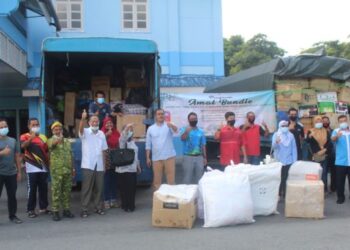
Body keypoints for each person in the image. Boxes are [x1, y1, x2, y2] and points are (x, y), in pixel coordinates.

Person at [79, 110, 108, 218]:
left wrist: (104, 165)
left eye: (97, 121)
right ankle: (84, 209)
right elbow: (80, 130)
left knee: (99, 188)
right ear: (89, 123)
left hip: (99, 165)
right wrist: (83, 119)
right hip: (88, 165)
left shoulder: (101, 134)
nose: (95, 123)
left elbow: (104, 150)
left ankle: (98, 207)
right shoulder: (85, 132)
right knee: (87, 188)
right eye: (93, 121)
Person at [20, 118, 50, 218]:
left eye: (37, 125)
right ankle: (30, 209)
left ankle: (43, 208)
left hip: (43, 168)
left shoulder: (43, 137)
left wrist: (49, 164)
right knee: (32, 189)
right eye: (33, 125)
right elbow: (23, 146)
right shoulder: (24, 136)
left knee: (43, 189)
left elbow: (46, 151)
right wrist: (31, 138)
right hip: (31, 167)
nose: (35, 127)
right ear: (28, 126)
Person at [47, 121, 75, 221]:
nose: (58, 131)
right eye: (56, 129)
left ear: (62, 130)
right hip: (56, 171)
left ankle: (66, 210)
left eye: (59, 129)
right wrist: (58, 139)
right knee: (56, 191)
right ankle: (55, 211)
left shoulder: (67, 141)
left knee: (67, 191)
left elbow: (71, 155)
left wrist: (73, 168)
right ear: (52, 131)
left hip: (67, 170)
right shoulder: (50, 140)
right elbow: (52, 145)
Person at [146, 109, 178, 191]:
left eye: (162, 114)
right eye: (159, 114)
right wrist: (147, 158)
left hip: (169, 157)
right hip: (156, 158)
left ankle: (172, 199)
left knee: (171, 182)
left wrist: (172, 126)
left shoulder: (168, 125)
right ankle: (158, 202)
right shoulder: (150, 128)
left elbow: (176, 131)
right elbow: (148, 144)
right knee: (157, 182)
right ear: (155, 116)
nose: (161, 115)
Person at [0, 118, 22, 224]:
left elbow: (17, 156)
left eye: (5, 126)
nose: (4, 128)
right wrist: (2, 153)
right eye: (1, 127)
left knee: (12, 196)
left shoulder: (13, 140)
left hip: (11, 173)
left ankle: (13, 216)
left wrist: (19, 171)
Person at [116, 123, 141, 212]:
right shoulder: (122, 141)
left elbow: (136, 155)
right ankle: (125, 205)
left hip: (132, 169)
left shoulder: (132, 142)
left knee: (132, 188)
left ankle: (131, 205)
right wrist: (126, 127)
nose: (130, 131)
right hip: (123, 169)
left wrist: (138, 166)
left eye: (131, 130)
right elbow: (123, 136)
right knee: (124, 189)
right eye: (129, 130)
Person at [272, 120, 297, 198]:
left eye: (286, 126)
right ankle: (278, 194)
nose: (285, 127)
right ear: (279, 126)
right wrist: (276, 142)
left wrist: (294, 161)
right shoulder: (276, 135)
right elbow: (274, 147)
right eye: (283, 126)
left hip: (289, 160)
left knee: (286, 177)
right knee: (279, 178)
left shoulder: (291, 135)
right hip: (279, 160)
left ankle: (285, 194)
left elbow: (294, 148)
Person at [180, 112, 207, 184]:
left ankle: (199, 193)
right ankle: (186, 194)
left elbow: (203, 145)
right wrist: (187, 132)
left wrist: (205, 158)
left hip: (199, 157)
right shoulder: (184, 129)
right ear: (188, 120)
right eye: (191, 119)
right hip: (188, 157)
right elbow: (182, 139)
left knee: (200, 177)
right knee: (187, 177)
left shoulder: (201, 131)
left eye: (195, 119)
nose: (193, 120)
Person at [306, 115, 331, 191]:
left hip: (324, 155)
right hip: (315, 155)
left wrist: (324, 150)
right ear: (314, 122)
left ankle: (324, 189)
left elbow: (329, 142)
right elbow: (308, 142)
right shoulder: (310, 131)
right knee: (315, 173)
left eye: (320, 121)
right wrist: (310, 136)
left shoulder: (326, 131)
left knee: (324, 173)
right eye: (316, 121)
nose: (319, 122)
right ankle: (315, 189)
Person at [101, 117, 120, 209]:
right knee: (106, 180)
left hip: (115, 158)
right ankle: (106, 200)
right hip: (106, 158)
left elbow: (120, 143)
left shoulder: (116, 132)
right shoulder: (101, 133)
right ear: (104, 124)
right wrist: (106, 136)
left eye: (111, 123)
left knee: (114, 180)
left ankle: (113, 199)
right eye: (107, 123)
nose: (109, 125)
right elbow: (99, 143)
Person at [331, 115, 350, 204]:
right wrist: (337, 136)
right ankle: (340, 197)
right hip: (341, 161)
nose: (343, 122)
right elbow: (332, 139)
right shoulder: (336, 131)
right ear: (339, 123)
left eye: (344, 120)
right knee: (340, 181)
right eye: (341, 121)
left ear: (347, 121)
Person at [323, 116, 336, 192]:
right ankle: (324, 188)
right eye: (323, 121)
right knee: (324, 172)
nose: (325, 122)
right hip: (324, 154)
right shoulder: (319, 131)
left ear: (329, 122)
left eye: (326, 121)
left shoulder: (333, 131)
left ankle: (333, 187)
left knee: (334, 172)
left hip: (333, 154)